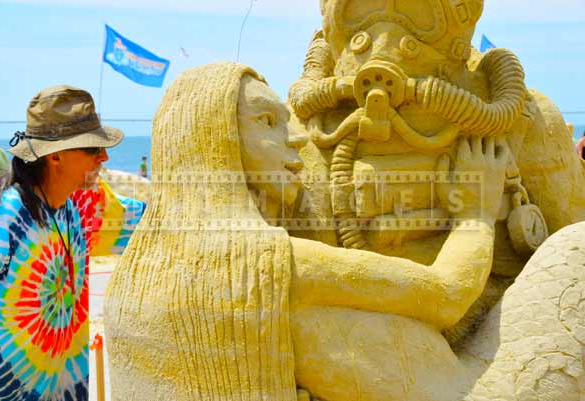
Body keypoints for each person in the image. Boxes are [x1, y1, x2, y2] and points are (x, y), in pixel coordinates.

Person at [104, 62, 510, 401]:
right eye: (266, 121)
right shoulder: (271, 264)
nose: (297, 137)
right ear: (214, 139)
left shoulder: (131, 276)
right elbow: (446, 295)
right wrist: (476, 212)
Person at [0, 85, 145, 400]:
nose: (105, 156)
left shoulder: (79, 208)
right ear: (55, 155)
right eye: (92, 149)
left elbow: (145, 221)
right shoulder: (0, 218)